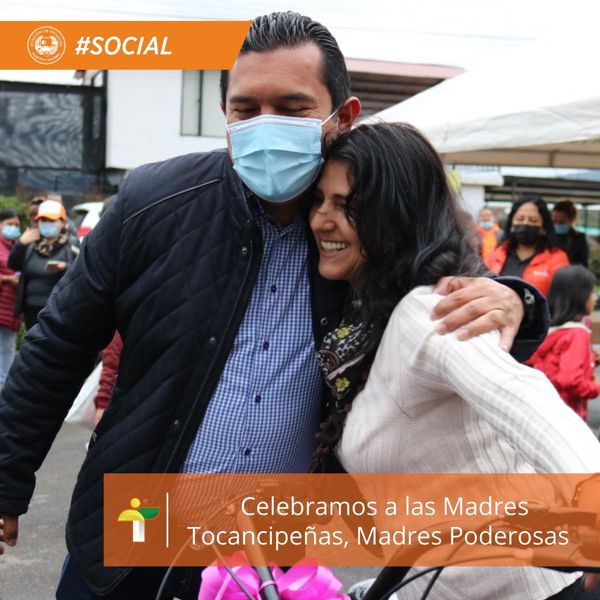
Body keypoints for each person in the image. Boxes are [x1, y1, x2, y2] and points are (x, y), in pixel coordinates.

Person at [0, 12, 548, 599]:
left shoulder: (363, 227)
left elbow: (454, 284)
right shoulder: (152, 202)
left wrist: (514, 300)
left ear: (344, 116)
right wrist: (6, 480)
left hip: (272, 554)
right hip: (137, 525)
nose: (266, 126)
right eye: (246, 109)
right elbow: (58, 346)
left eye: (292, 109)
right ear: (225, 114)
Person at [308, 122, 600, 599]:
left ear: (394, 216)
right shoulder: (357, 322)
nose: (322, 219)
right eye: (318, 201)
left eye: (346, 205)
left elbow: (519, 395)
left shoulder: (424, 310)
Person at [528, 266, 600, 422]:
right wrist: (596, 387)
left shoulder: (553, 332)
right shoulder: (577, 334)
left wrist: (590, 361)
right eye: (591, 292)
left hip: (548, 412)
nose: (595, 298)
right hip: (568, 416)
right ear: (580, 296)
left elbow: (556, 366)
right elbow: (570, 380)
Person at [7, 199, 80, 329]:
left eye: (51, 220)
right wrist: (20, 244)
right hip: (31, 308)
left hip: (58, 308)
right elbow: (13, 265)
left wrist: (65, 267)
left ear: (63, 222)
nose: (46, 224)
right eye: (42, 220)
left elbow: (81, 272)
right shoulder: (31, 243)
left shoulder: (71, 244)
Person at [486, 195, 570, 296]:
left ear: (543, 227)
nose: (525, 224)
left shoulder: (557, 259)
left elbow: (563, 298)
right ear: (511, 223)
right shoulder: (496, 255)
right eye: (520, 219)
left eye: (533, 220)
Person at [0, 209, 22, 389]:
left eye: (16, 225)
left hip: (11, 312)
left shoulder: (17, 248)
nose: (13, 228)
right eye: (10, 224)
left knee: (6, 354)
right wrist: (7, 279)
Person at [552, 199, 589, 267]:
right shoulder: (547, 237)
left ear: (571, 220)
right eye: (554, 222)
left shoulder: (579, 239)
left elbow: (583, 265)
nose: (557, 225)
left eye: (561, 222)